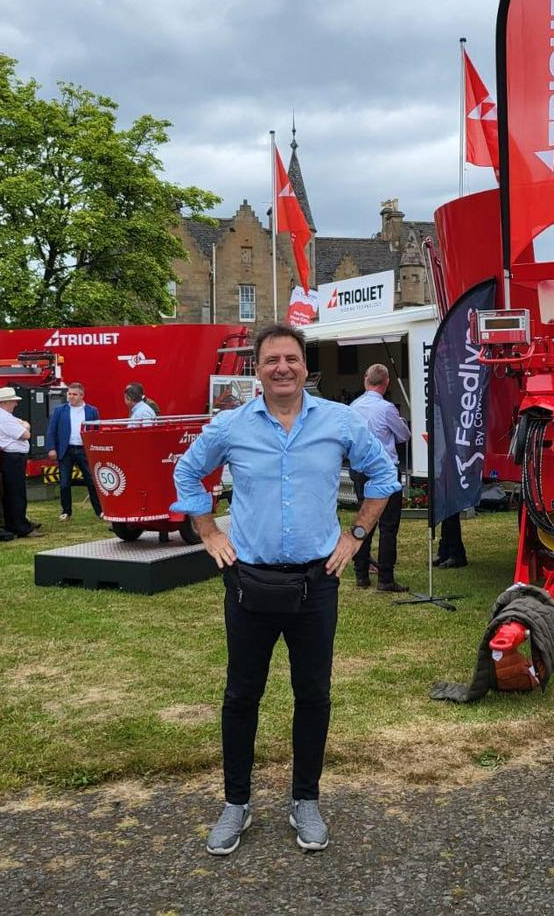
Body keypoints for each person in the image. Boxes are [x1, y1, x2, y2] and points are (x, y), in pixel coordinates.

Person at [172, 323, 398, 856]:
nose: (282, 368)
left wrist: (356, 536)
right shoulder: (230, 427)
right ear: (258, 368)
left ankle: (306, 799)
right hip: (249, 581)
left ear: (305, 367)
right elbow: (187, 472)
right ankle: (236, 803)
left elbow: (384, 477)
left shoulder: (339, 421)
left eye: (291, 359)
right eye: (272, 359)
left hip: (316, 583)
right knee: (241, 695)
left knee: (313, 694)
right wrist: (208, 532)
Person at [348, 363, 412, 592]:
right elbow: (404, 435)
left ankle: (361, 574)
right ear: (386, 384)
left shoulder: (354, 406)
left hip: (360, 469)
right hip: (384, 470)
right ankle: (385, 578)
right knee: (388, 525)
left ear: (366, 381)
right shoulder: (386, 409)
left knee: (364, 519)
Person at [0, 387, 40, 537]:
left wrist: (24, 425)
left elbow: (24, 426)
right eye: (14, 401)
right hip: (12, 457)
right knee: (16, 493)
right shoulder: (4, 418)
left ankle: (13, 523)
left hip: (8, 456)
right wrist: (24, 426)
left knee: (10, 493)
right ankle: (21, 527)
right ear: (6, 402)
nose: (16, 404)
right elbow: (26, 433)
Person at [45, 382, 101, 520]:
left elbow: (97, 431)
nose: (71, 397)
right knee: (64, 483)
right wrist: (51, 448)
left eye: (74, 394)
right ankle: (66, 511)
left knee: (91, 481)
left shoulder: (92, 411)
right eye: (69, 394)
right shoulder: (60, 410)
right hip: (66, 450)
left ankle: (99, 510)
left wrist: (97, 448)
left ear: (82, 396)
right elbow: (51, 430)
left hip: (84, 450)